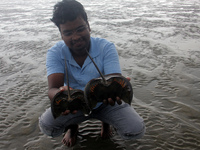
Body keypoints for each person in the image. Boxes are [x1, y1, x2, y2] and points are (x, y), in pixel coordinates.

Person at [39, 0, 145, 147]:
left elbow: (114, 78)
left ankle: (105, 122)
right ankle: (73, 126)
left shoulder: (106, 47)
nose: (75, 37)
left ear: (88, 26)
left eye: (80, 29)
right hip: (75, 103)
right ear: (61, 34)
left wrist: (119, 86)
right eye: (68, 33)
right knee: (47, 125)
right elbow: (52, 89)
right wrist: (61, 95)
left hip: (104, 102)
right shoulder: (55, 53)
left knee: (135, 129)